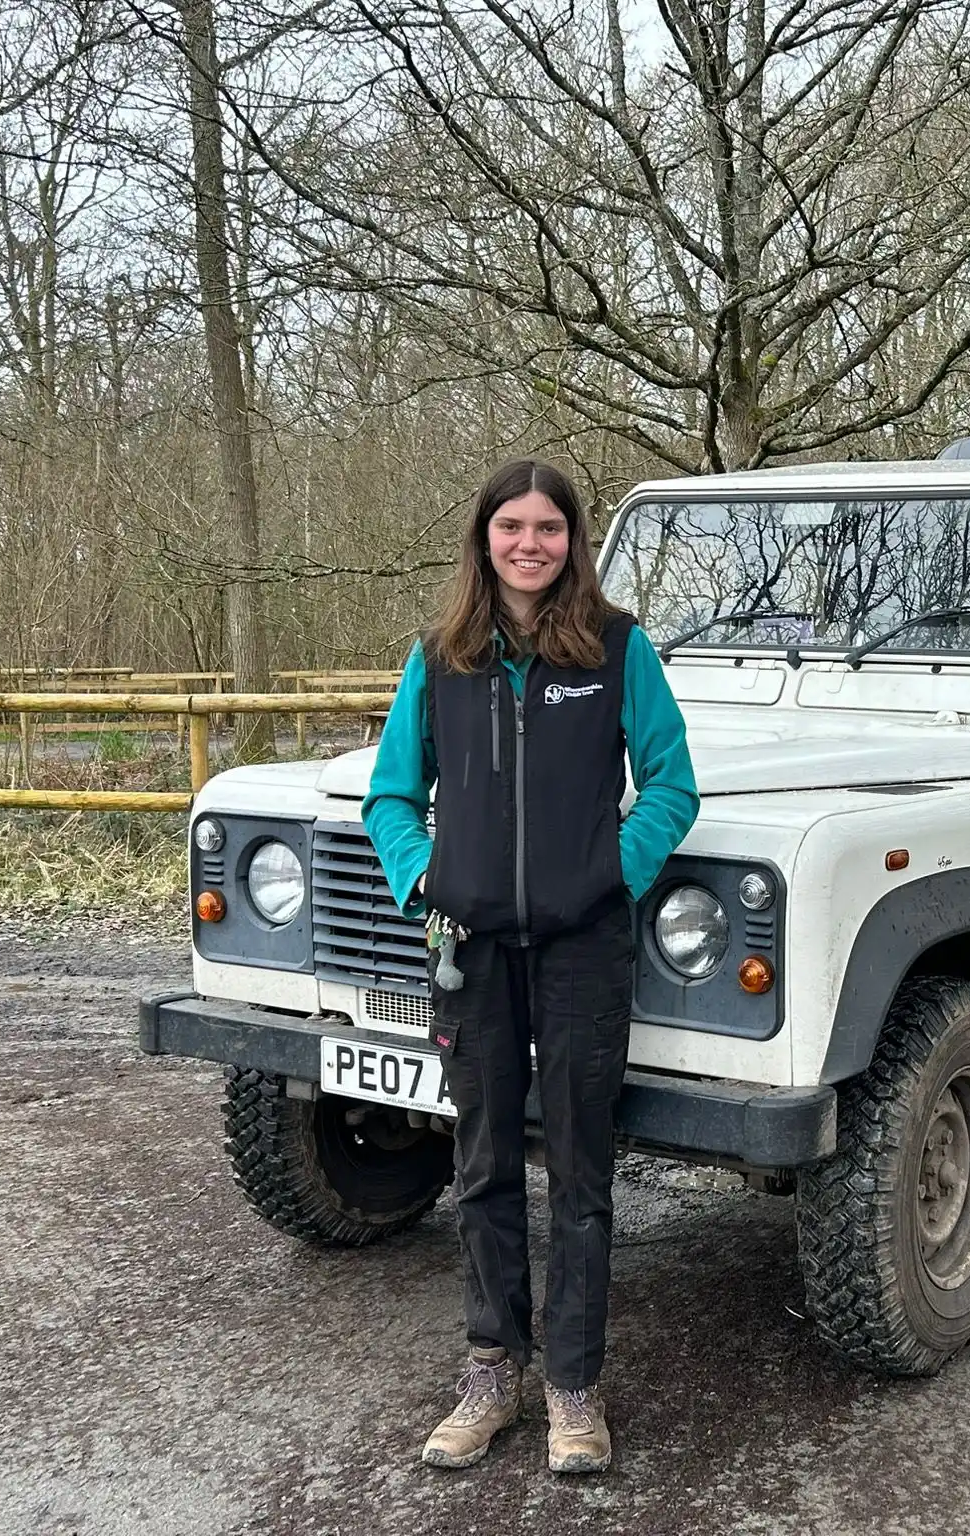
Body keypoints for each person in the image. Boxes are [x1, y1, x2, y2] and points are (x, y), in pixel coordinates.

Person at [363, 458, 699, 1475]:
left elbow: (673, 786)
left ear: (571, 541)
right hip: (470, 951)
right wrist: (426, 882)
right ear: (484, 538)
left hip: (583, 949)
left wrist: (610, 876)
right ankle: (489, 1375)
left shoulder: (614, 647)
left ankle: (573, 1390)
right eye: (511, 526)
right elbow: (388, 798)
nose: (528, 544)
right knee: (484, 1164)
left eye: (547, 528)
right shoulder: (441, 657)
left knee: (583, 1175)